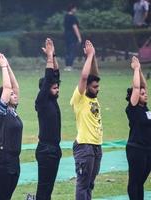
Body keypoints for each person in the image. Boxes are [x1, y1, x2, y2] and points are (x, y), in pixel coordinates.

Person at [26, 38, 62, 200]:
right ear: (46, 89)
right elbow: (49, 77)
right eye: (54, 88)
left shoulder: (53, 100)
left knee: (48, 189)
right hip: (46, 150)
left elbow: (55, 74)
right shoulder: (42, 101)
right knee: (44, 188)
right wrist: (48, 57)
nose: (57, 89)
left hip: (54, 149)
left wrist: (53, 55)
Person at [70, 40, 103, 200]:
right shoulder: (80, 97)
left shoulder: (93, 96)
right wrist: (89, 56)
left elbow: (93, 75)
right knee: (83, 184)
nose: (98, 89)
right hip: (85, 146)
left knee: (90, 184)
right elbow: (84, 77)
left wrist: (94, 56)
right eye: (94, 87)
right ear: (87, 87)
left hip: (96, 146)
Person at [0, 53, 23, 200]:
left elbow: (14, 87)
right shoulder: (1, 112)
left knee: (7, 197)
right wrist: (3, 67)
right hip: (2, 161)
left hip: (14, 160)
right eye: (11, 95)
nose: (15, 95)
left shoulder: (12, 111)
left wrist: (8, 66)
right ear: (3, 99)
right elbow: (8, 87)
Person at [125, 56, 151, 200]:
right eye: (142, 94)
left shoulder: (145, 107)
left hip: (148, 149)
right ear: (134, 97)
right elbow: (137, 87)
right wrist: (135, 69)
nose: (145, 94)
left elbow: (142, 86)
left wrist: (140, 69)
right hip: (136, 149)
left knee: (141, 182)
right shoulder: (133, 108)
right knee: (135, 182)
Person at [64, 3, 82, 71]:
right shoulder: (73, 17)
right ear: (72, 9)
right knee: (72, 50)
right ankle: (70, 66)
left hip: (66, 35)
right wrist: (79, 37)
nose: (76, 9)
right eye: (75, 8)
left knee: (68, 50)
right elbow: (75, 27)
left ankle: (67, 65)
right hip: (72, 36)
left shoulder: (66, 16)